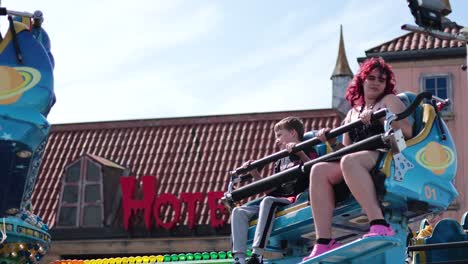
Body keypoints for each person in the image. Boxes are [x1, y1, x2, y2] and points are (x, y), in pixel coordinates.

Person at [303, 57, 413, 261]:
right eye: (371, 77)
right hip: (356, 159)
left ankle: (379, 223)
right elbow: (345, 150)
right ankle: (324, 241)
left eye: (381, 79)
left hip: (387, 153)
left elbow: (406, 131)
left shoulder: (389, 101)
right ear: (362, 80)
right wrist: (329, 141)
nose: (376, 82)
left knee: (350, 161)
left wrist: (381, 116)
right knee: (318, 169)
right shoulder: (352, 113)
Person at [231, 117, 318, 264]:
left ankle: (257, 254)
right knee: (238, 212)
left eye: (279, 135)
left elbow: (316, 171)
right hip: (277, 200)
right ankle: (239, 258)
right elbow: (271, 190)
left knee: (268, 201)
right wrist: (254, 173)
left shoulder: (308, 148)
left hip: (297, 198)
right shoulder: (280, 160)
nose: (277, 140)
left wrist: (300, 153)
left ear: (292, 133)